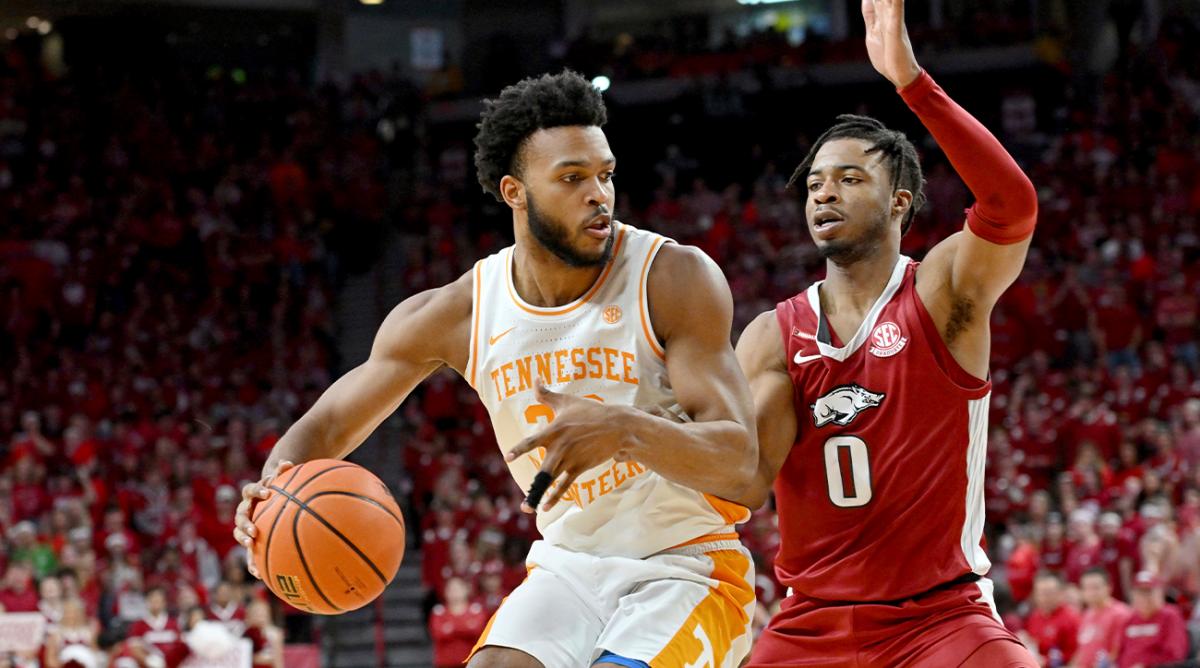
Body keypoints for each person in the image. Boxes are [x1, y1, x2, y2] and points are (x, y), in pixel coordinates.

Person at [233, 70, 761, 667]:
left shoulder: (672, 277)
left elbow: (741, 465)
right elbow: (325, 428)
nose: (600, 195)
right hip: (569, 566)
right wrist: (269, 493)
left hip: (687, 565)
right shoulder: (458, 312)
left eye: (605, 174)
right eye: (571, 178)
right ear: (514, 191)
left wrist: (624, 430)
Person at [734, 0, 1039, 664]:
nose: (823, 194)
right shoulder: (769, 334)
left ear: (900, 200)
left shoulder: (942, 292)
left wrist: (912, 85)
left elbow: (1012, 206)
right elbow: (745, 476)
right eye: (814, 183)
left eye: (848, 179)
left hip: (941, 615)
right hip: (812, 622)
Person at [1113, 571, 1187, 668]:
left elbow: (1175, 654)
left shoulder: (1170, 616)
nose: (1144, 598)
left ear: (1160, 593)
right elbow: (1120, 654)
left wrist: (1146, 665)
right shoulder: (1130, 619)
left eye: (1149, 592)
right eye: (1140, 593)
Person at [1070, 568, 1130, 668]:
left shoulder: (1120, 613)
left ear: (1109, 587)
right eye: (1087, 588)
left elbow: (1118, 650)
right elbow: (1082, 650)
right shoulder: (1086, 614)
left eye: (1096, 588)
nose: (1091, 593)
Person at [1023, 572, 1081, 666]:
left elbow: (1076, 653)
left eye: (1049, 593)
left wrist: (1046, 661)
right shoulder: (1034, 616)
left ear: (1060, 593)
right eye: (1041, 593)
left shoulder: (1071, 618)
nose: (1044, 598)